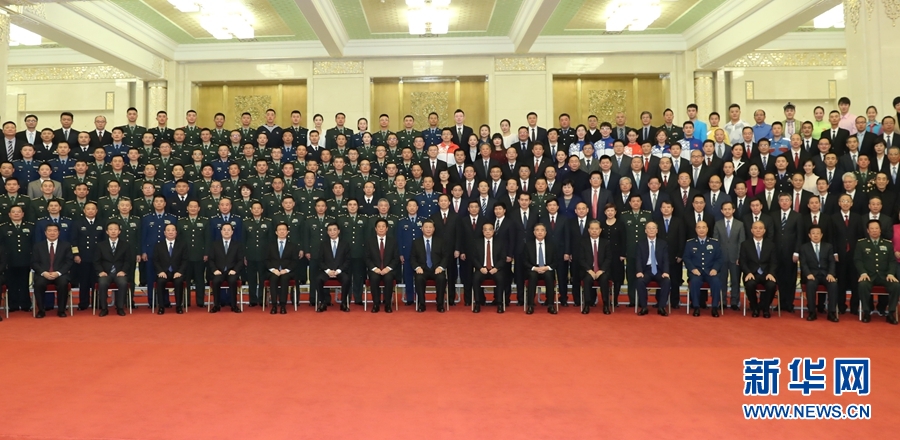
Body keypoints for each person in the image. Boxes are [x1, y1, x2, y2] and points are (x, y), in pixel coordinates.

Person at [855, 220, 900, 324]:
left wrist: (891, 273)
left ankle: (891, 313)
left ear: (880, 230)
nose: (874, 231)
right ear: (868, 230)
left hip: (884, 276)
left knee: (896, 285)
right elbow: (858, 260)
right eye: (872, 228)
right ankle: (866, 312)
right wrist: (863, 273)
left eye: (876, 228)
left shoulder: (888, 244)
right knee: (863, 285)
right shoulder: (861, 243)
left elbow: (892, 261)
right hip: (868, 275)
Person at [31, 224, 74, 318]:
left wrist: (58, 273)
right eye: (49, 231)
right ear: (45, 233)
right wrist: (44, 272)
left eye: (55, 231)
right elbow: (34, 263)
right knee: (39, 284)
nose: (52, 233)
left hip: (60, 274)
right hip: (44, 274)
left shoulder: (66, 245)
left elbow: (69, 261)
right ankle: (41, 310)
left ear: (59, 233)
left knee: (63, 283)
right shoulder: (38, 246)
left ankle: (61, 310)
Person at [799, 225, 838, 322]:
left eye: (818, 233)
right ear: (809, 235)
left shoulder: (828, 246)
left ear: (821, 235)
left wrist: (831, 274)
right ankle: (812, 312)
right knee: (810, 284)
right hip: (812, 275)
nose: (815, 235)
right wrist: (808, 274)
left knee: (833, 284)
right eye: (813, 233)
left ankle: (831, 313)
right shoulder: (804, 247)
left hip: (826, 274)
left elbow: (832, 262)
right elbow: (803, 263)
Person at [683, 221, 723, 317]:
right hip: (696, 272)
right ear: (696, 229)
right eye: (699, 227)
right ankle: (696, 307)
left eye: (703, 227)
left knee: (716, 282)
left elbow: (719, 258)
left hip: (710, 272)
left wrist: (715, 269)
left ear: (707, 229)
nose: (701, 230)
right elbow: (686, 258)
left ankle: (714, 307)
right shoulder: (690, 243)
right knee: (694, 282)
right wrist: (693, 269)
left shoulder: (714, 243)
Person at [94, 221, 133, 317]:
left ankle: (120, 307)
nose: (113, 231)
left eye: (115, 229)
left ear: (119, 231)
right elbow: (96, 261)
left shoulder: (126, 245)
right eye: (111, 229)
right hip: (105, 273)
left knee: (123, 283)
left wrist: (123, 271)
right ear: (107, 232)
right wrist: (100, 271)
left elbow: (128, 261)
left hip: (119, 272)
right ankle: (104, 308)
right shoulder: (100, 245)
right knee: (102, 283)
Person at [739, 221, 778, 318]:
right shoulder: (745, 244)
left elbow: (774, 262)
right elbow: (742, 261)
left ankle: (765, 308)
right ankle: (755, 307)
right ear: (751, 230)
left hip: (766, 274)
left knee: (771, 285)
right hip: (752, 273)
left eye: (760, 228)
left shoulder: (771, 245)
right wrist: (748, 272)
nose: (758, 230)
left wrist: (771, 273)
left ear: (764, 230)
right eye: (755, 228)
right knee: (750, 284)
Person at [410, 220, 449, 312]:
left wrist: (441, 267)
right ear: (422, 229)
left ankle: (440, 304)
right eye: (426, 227)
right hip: (422, 269)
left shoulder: (440, 241)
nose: (428, 229)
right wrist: (417, 267)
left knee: (441, 278)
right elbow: (412, 258)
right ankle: (422, 304)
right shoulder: (416, 242)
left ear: (434, 229)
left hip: (437, 269)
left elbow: (445, 256)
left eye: (430, 227)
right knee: (419, 278)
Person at [635, 221, 670, 316]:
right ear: (645, 230)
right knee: (640, 281)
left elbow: (666, 259)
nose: (651, 230)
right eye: (649, 228)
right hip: (646, 270)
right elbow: (638, 259)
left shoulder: (663, 243)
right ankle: (644, 307)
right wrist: (639, 271)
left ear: (657, 230)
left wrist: (666, 272)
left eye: (653, 228)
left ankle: (661, 307)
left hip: (659, 270)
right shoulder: (640, 244)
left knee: (666, 281)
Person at [315, 222, 351, 312]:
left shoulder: (345, 244)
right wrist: (328, 271)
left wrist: (339, 270)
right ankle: (322, 303)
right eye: (330, 230)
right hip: (327, 271)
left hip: (340, 271)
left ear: (338, 231)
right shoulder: (323, 244)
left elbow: (348, 260)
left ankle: (343, 303)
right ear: (327, 232)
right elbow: (320, 260)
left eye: (334, 230)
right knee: (318, 279)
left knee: (346, 279)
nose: (332, 232)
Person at [472, 223, 507, 314]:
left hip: (495, 269)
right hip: (482, 269)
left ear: (493, 231)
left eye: (490, 229)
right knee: (475, 278)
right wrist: (480, 268)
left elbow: (503, 258)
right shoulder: (477, 242)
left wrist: (496, 268)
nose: (488, 231)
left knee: (500, 278)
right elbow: (473, 258)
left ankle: (499, 303)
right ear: (482, 231)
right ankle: (478, 303)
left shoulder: (500, 243)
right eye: (485, 230)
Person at [208, 223, 243, 313]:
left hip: (232, 271)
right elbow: (211, 260)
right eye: (224, 230)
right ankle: (216, 305)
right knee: (215, 281)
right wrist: (214, 270)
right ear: (221, 231)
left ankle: (234, 305)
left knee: (232, 281)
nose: (226, 232)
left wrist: (235, 270)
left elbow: (240, 260)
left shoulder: (237, 245)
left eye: (228, 230)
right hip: (219, 271)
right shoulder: (215, 244)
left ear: (232, 232)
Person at [366, 218, 399, 313]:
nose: (381, 228)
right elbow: (367, 258)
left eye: (383, 226)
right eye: (379, 227)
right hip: (375, 270)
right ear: (375, 229)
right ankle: (376, 304)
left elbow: (396, 258)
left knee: (388, 278)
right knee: (374, 278)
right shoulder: (370, 242)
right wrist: (374, 268)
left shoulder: (393, 241)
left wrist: (388, 268)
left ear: (387, 228)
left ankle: (388, 304)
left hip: (388, 270)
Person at [578, 220, 611, 314]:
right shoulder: (583, 243)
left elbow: (609, 258)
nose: (594, 231)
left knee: (604, 279)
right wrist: (589, 270)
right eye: (592, 229)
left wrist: (602, 270)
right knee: (587, 279)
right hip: (588, 270)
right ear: (588, 230)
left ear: (600, 230)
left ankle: (606, 304)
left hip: (602, 270)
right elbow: (581, 259)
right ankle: (587, 304)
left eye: (596, 229)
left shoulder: (606, 242)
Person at [523, 223, 556, 315]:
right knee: (532, 276)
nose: (540, 232)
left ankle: (550, 305)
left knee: (549, 275)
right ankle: (530, 305)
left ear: (545, 232)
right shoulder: (528, 245)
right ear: (534, 232)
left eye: (542, 230)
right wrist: (535, 268)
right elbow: (524, 261)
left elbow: (556, 261)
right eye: (537, 230)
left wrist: (547, 267)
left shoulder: (551, 245)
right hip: (534, 269)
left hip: (546, 268)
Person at [266, 223, 299, 315]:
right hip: (274, 271)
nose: (282, 231)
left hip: (287, 271)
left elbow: (295, 261)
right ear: (276, 232)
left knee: (285, 278)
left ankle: (283, 305)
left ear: (287, 232)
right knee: (273, 278)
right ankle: (274, 305)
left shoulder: (293, 246)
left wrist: (286, 270)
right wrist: (273, 269)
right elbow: (266, 260)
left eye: (284, 229)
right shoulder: (270, 245)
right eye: (279, 230)